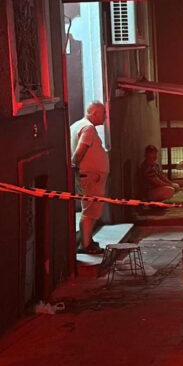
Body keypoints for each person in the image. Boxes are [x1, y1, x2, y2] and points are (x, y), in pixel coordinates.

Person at [71, 101, 109, 255]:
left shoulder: (76, 125)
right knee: (90, 211)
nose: (105, 116)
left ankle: (87, 241)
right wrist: (74, 165)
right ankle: (86, 245)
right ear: (95, 113)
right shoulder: (88, 128)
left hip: (88, 175)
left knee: (89, 210)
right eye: (104, 113)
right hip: (91, 176)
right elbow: (80, 151)